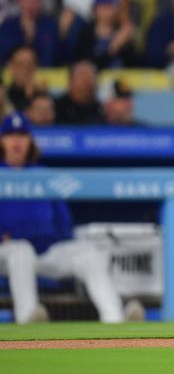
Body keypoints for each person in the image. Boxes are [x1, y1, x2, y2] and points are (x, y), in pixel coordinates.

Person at [0, 113, 142, 323]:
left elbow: (64, 225)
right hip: (9, 254)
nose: (16, 141)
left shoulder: (45, 175)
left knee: (88, 253)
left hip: (44, 252)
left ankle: (116, 318)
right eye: (10, 135)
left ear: (30, 141)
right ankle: (28, 319)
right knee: (22, 251)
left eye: (22, 135)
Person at [54, 60, 104, 125]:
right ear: (70, 82)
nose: (86, 82)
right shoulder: (57, 108)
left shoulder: (101, 110)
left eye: (90, 77)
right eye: (82, 77)